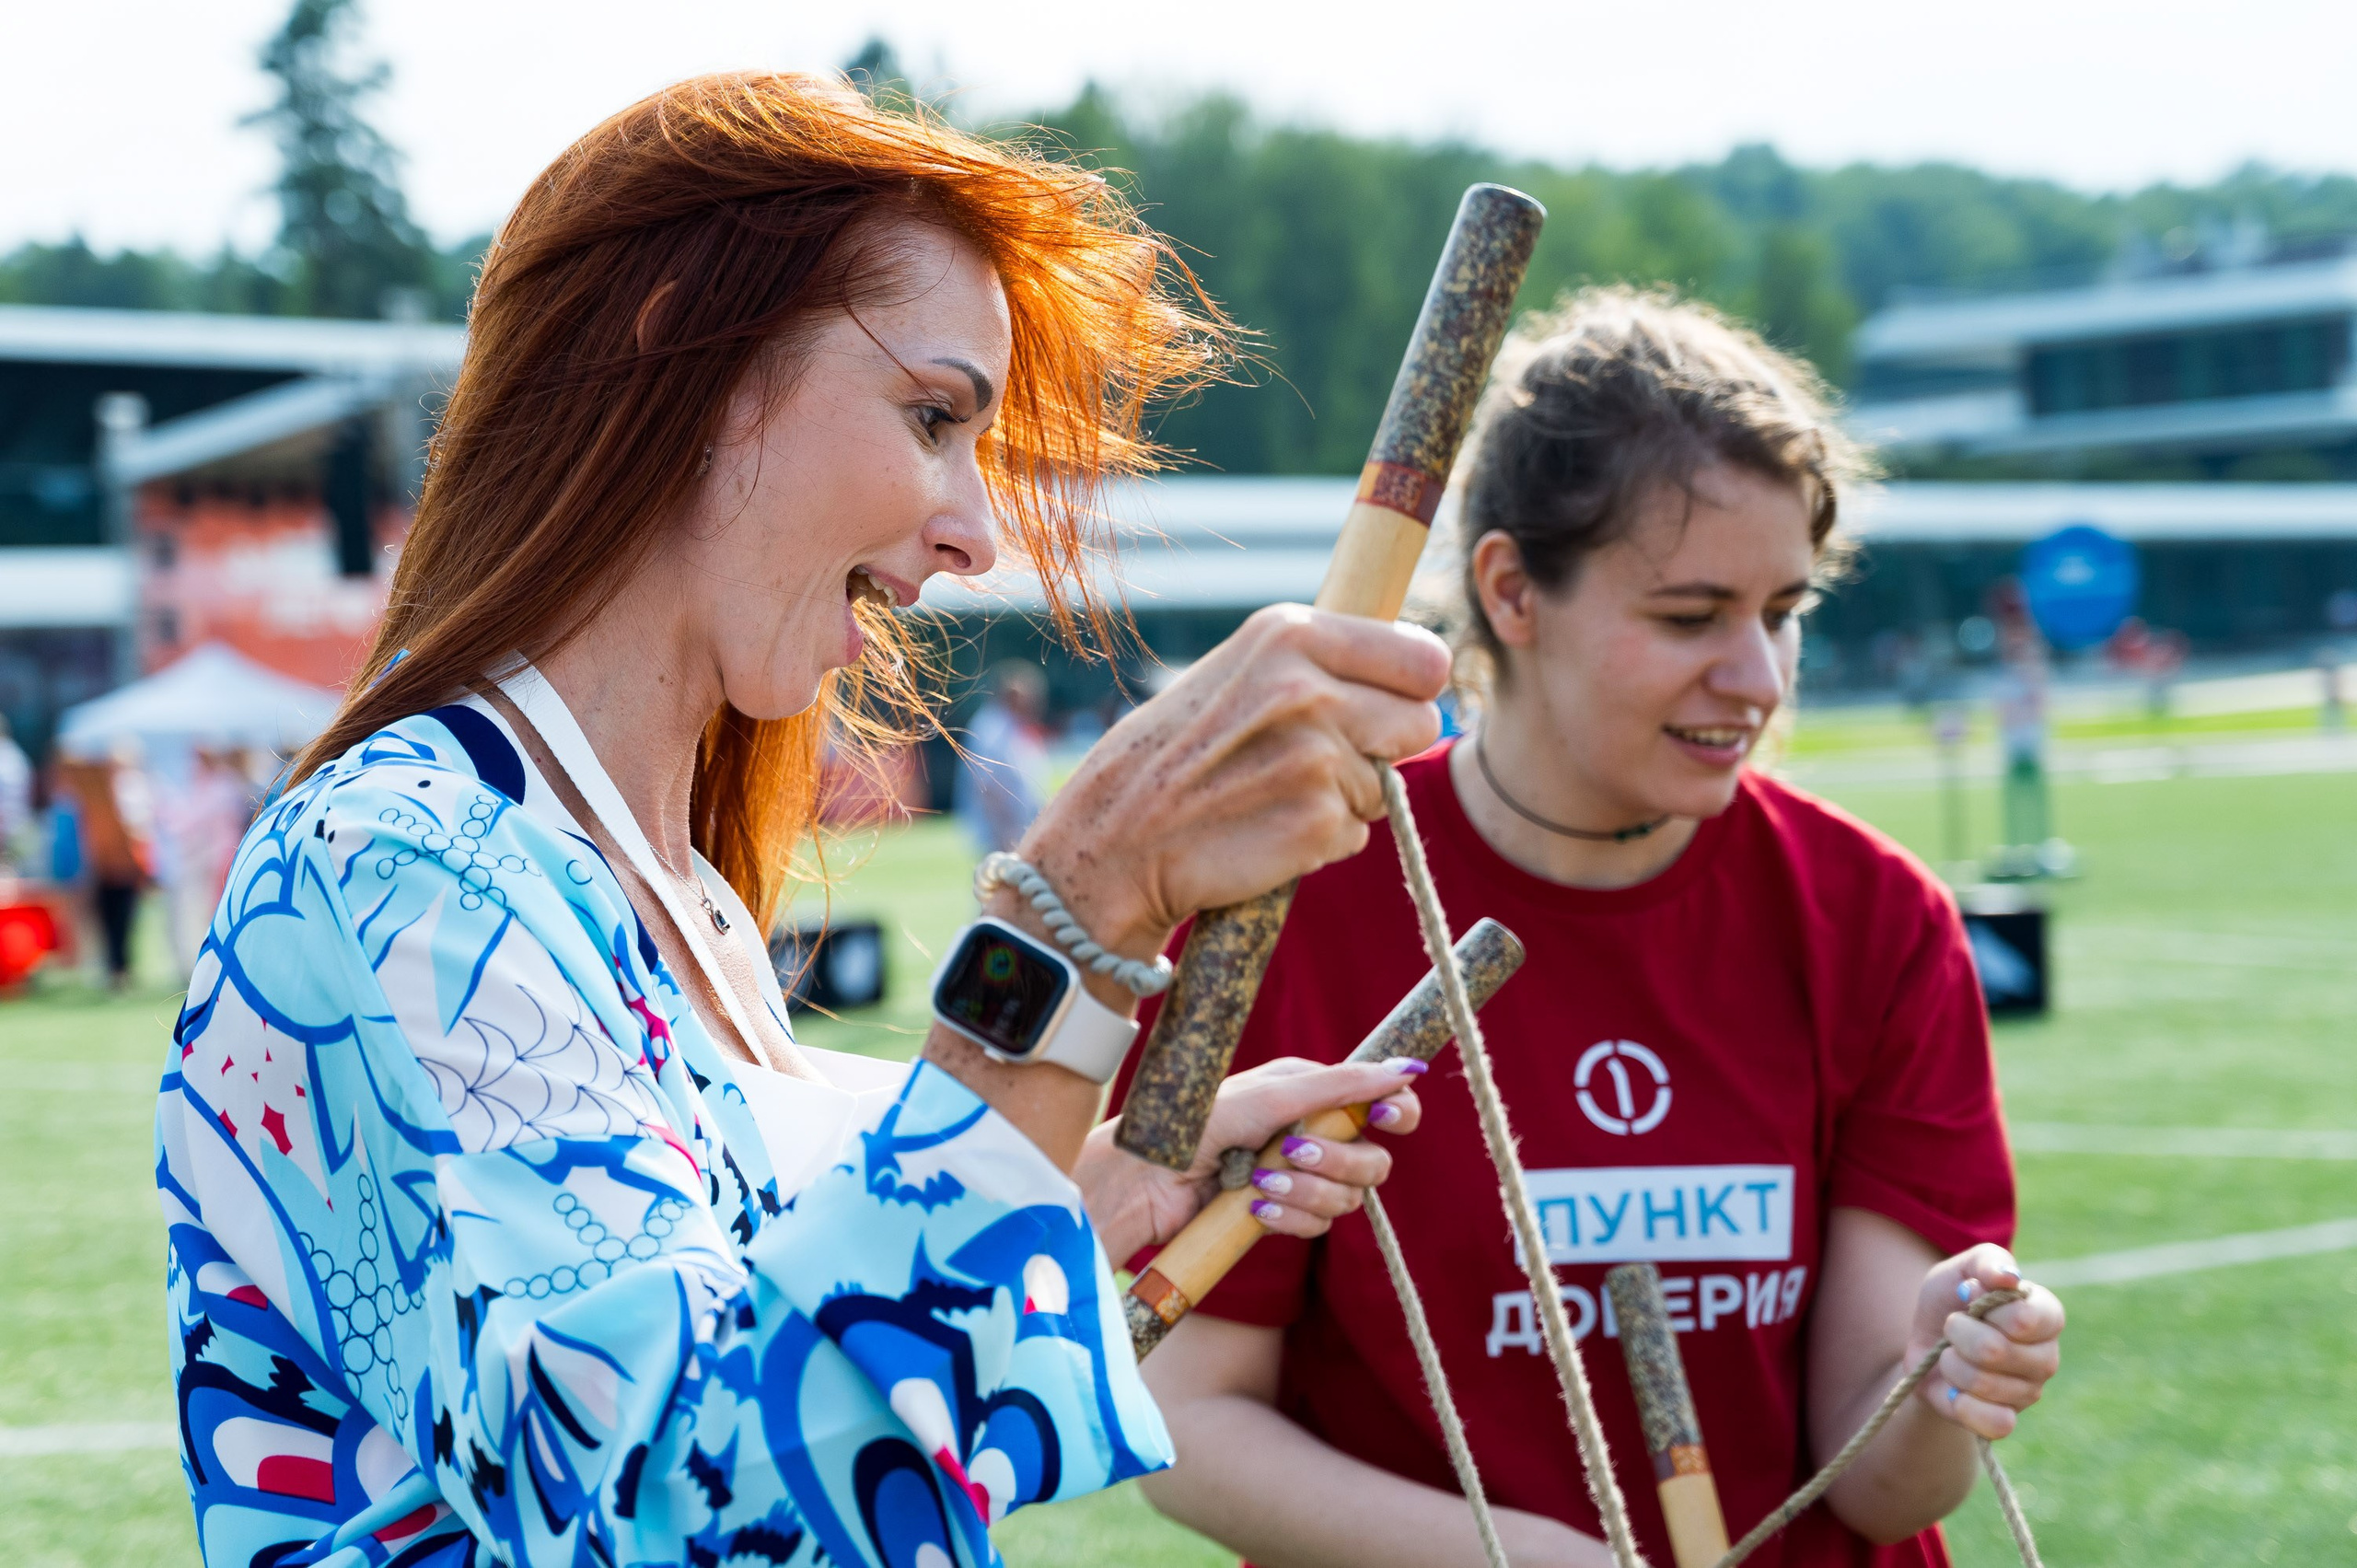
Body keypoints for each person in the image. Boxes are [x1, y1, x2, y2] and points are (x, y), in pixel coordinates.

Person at [157, 74, 1446, 1568]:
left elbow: (812, 1365)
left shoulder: (671, 895)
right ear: (683, 353)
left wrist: (1092, 1188)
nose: (976, 530)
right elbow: (700, 1513)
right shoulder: (406, 863)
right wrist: (1072, 905)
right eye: (930, 414)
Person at [1125, 289, 2067, 1568]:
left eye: (1783, 611)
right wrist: (1521, 1557)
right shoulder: (1295, 897)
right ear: (1511, 590)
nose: (1760, 678)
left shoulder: (1875, 913)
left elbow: (1887, 1484)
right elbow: (1191, 1412)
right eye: (1691, 617)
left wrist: (1943, 1378)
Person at [956, 659, 1051, 852]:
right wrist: (1004, 831)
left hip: (1019, 827)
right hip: (1002, 831)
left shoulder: (1013, 725)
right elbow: (987, 785)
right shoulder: (990, 728)